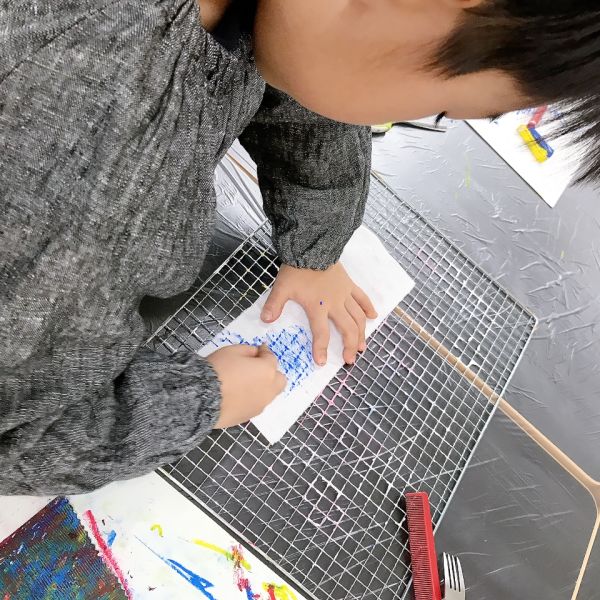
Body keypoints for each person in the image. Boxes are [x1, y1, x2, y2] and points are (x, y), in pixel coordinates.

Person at [1, 0, 598, 494]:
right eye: (442, 109)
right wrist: (202, 400)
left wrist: (317, 245)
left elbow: (309, 91)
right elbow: (17, 437)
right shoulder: (75, 170)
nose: (412, 115)